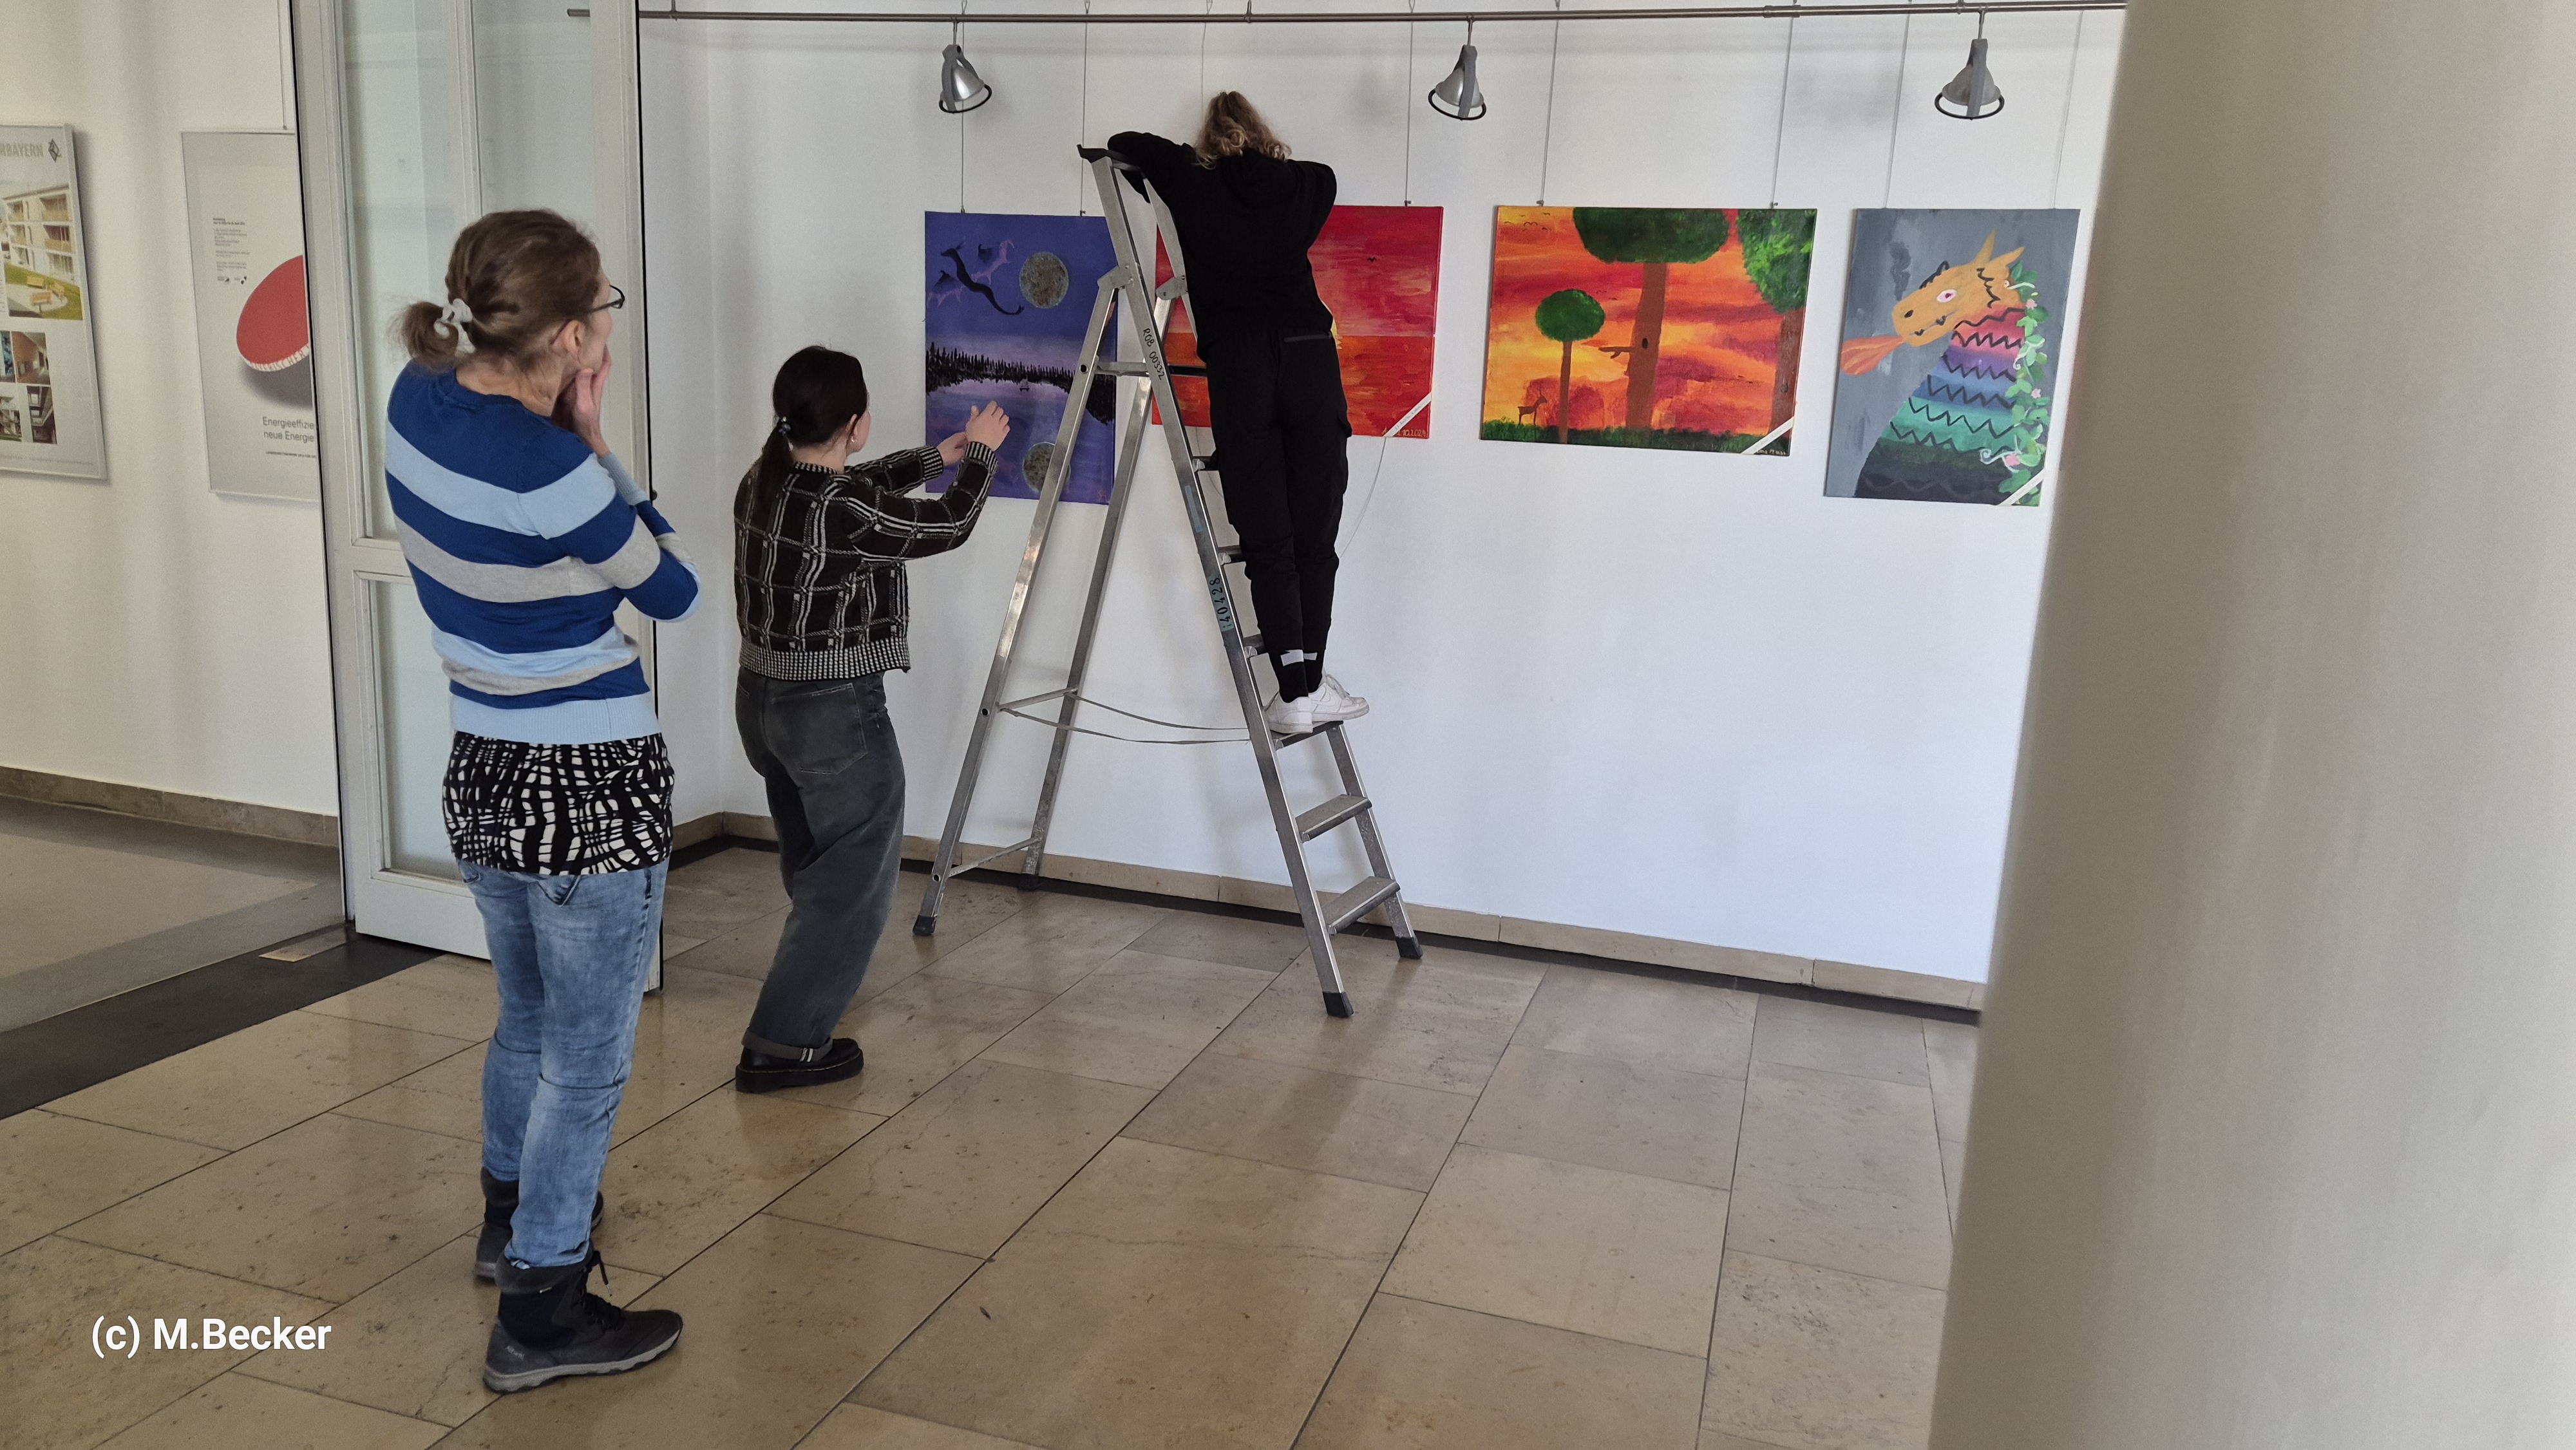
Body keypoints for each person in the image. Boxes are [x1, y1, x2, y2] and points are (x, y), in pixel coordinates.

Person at [388, 209, 696, 1393]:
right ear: (569, 335)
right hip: (588, 779)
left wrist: (568, 431)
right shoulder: (557, 469)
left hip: (482, 762)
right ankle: (543, 1311)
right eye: (603, 306)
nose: (608, 323)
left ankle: (506, 1221)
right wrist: (598, 438)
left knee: (525, 1017)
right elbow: (669, 587)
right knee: (588, 1059)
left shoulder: (418, 397)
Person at [730, 346, 1009, 1091]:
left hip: (761, 702)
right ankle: (783, 1045)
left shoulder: (763, 478)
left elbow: (858, 485)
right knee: (852, 881)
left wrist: (937, 454)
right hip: (831, 713)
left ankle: (812, 982)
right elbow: (948, 523)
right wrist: (981, 456)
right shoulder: (842, 507)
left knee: (817, 864)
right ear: (855, 424)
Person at [1110, 93, 1368, 735]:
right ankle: (1308, 685)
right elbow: (1325, 177)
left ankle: (1295, 690)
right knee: (1315, 537)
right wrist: (1270, 166)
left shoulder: (1190, 182)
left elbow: (1124, 143)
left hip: (1240, 364)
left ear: (1209, 139)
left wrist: (1178, 167)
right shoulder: (1303, 185)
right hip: (1308, 358)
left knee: (1267, 537)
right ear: (1261, 133)